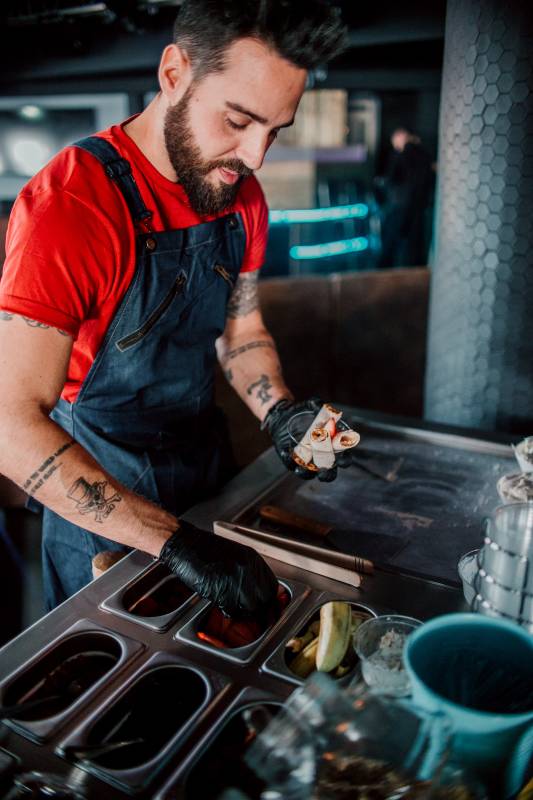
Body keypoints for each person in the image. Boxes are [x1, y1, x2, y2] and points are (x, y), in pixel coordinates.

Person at [0, 1, 348, 616]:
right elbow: (11, 427)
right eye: (238, 120)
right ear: (173, 73)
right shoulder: (70, 208)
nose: (257, 156)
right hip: (99, 492)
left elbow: (241, 331)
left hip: (204, 468)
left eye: (275, 130)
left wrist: (281, 413)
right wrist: (173, 543)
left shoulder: (242, 196)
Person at [378, 126, 434, 269]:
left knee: (390, 242)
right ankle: (414, 275)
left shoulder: (401, 155)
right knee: (414, 245)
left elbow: (391, 178)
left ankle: (384, 273)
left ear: (400, 137)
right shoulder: (424, 154)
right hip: (419, 206)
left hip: (400, 204)